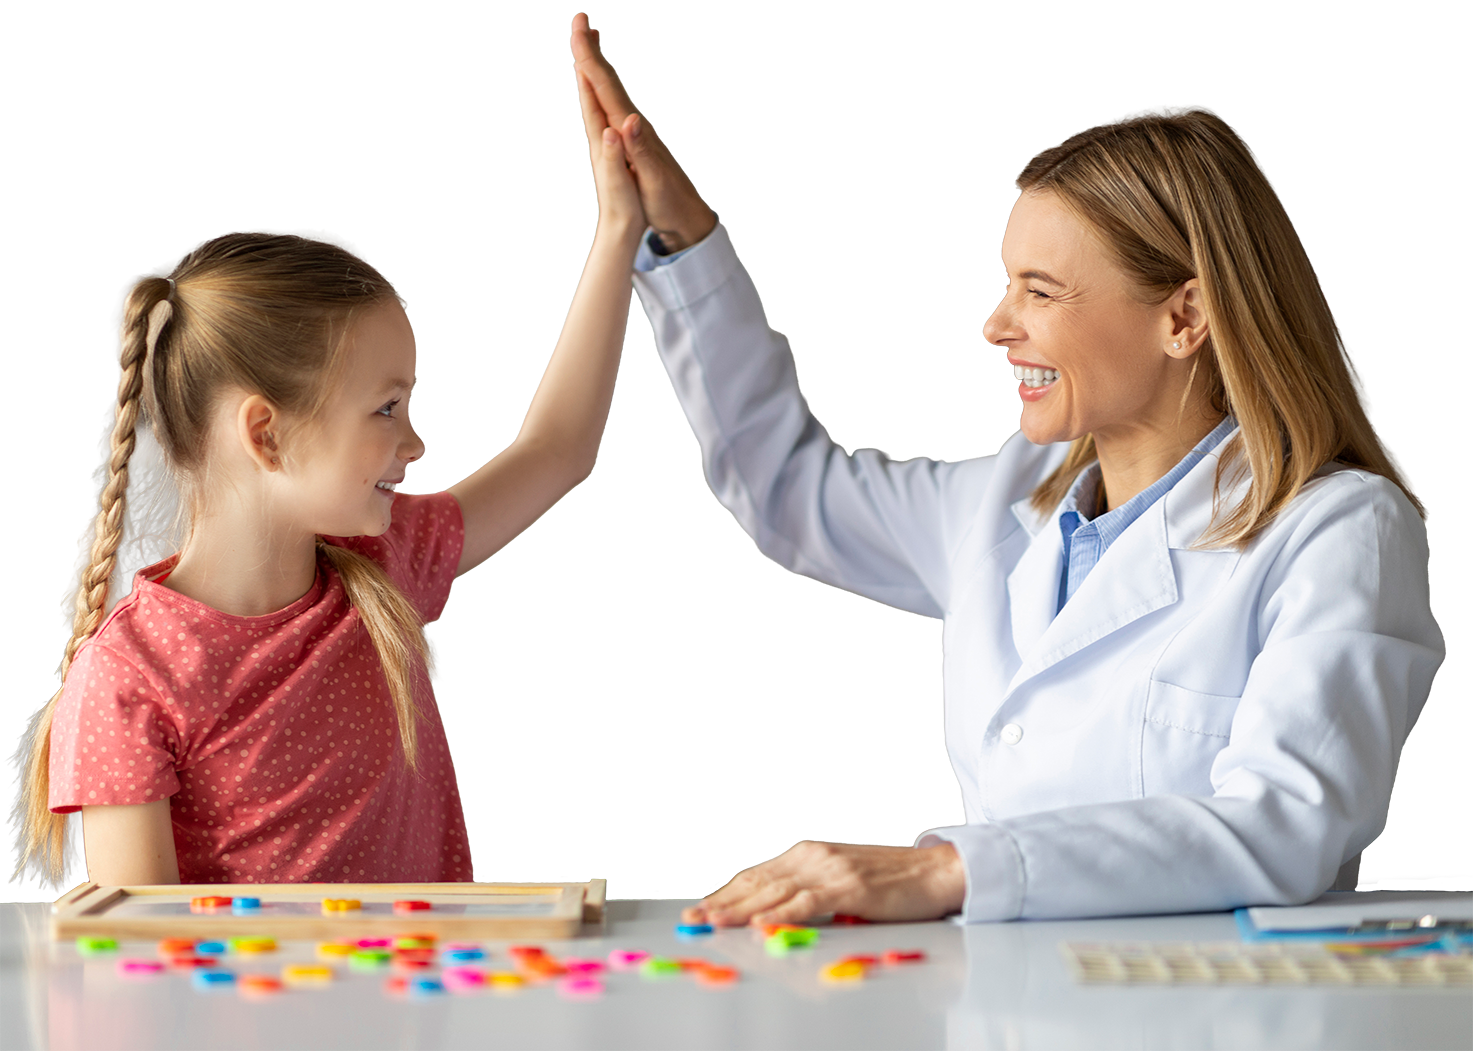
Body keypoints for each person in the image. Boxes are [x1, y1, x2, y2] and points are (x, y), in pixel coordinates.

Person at [572, 17, 1446, 925]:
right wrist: (682, 241)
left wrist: (951, 869)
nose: (995, 325)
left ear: (1184, 317)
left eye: (1040, 289)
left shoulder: (1337, 531)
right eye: (1005, 284)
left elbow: (1282, 825)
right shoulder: (1002, 505)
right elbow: (787, 493)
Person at [14, 66, 646, 888]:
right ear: (265, 434)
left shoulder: (383, 569)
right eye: (386, 409)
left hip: (423, 1017)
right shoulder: (127, 677)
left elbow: (559, 449)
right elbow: (148, 960)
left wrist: (616, 233)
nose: (413, 442)